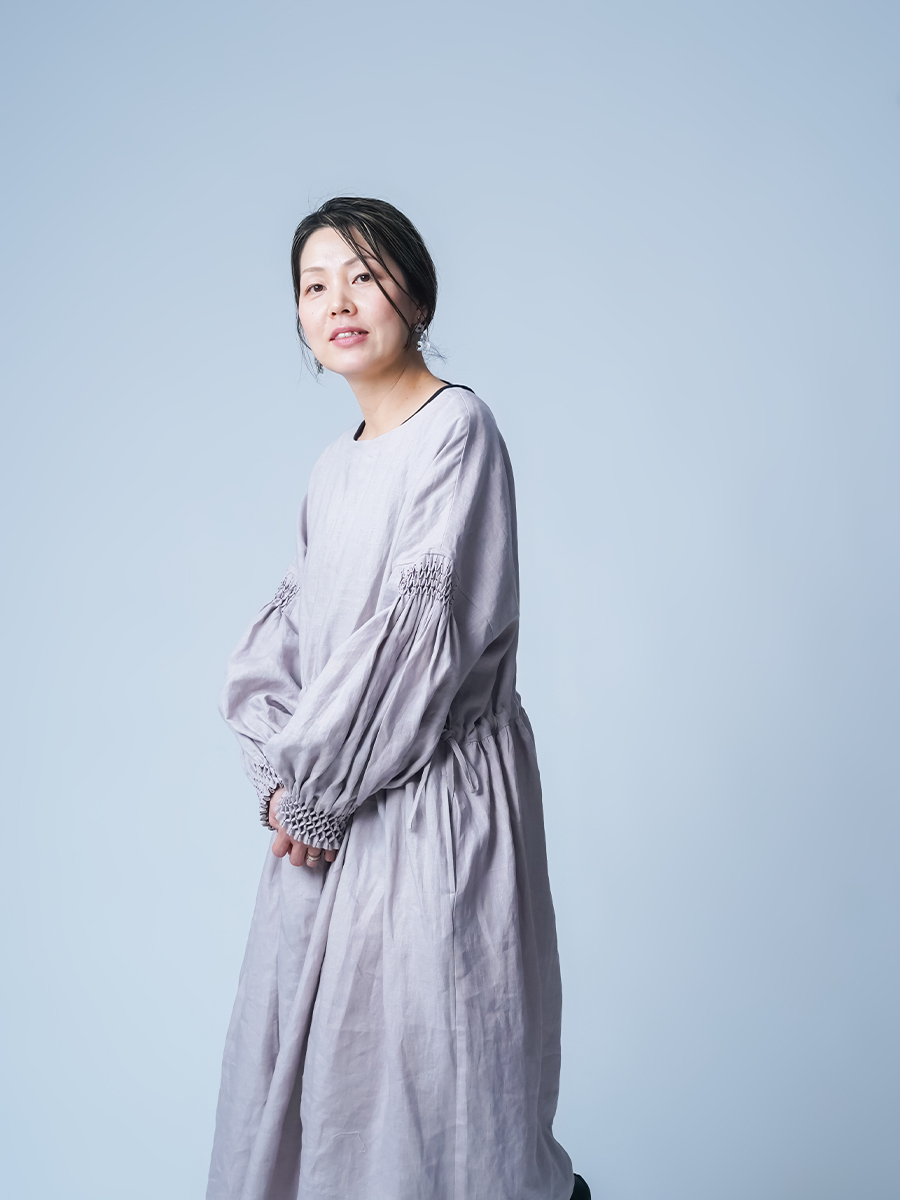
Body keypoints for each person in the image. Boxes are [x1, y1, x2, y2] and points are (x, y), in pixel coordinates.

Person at [207, 196, 590, 1200]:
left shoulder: (456, 430)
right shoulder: (333, 468)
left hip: (431, 813)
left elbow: (419, 644)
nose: (338, 302)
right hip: (328, 820)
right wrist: (284, 784)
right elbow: (289, 641)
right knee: (324, 1097)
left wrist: (321, 790)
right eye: (314, 285)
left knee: (442, 1095)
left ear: (415, 293)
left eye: (363, 276)